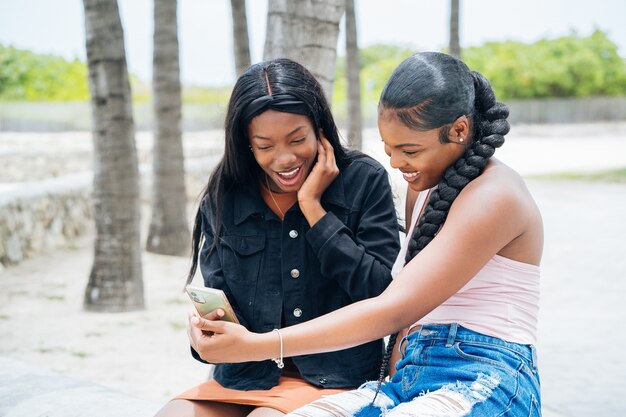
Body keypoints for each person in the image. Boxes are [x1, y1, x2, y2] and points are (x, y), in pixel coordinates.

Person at [188, 51, 544, 417]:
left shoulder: (494, 196)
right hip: (411, 374)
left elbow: (391, 307)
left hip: (485, 376)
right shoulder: (423, 187)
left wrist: (261, 345)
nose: (395, 163)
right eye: (389, 149)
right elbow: (409, 318)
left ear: (458, 130)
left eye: (409, 150)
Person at [155, 58, 401, 417]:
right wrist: (204, 337)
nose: (285, 158)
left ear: (319, 128)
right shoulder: (226, 195)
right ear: (246, 144)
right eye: (265, 145)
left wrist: (314, 209)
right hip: (245, 377)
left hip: (336, 378)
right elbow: (220, 303)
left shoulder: (363, 181)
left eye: (297, 139)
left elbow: (379, 293)